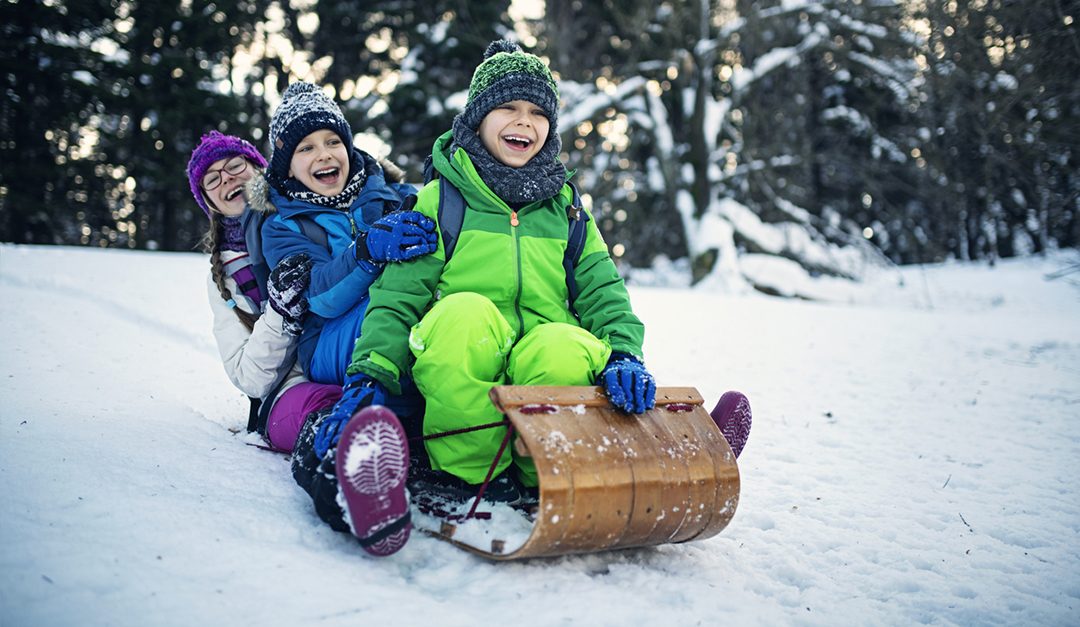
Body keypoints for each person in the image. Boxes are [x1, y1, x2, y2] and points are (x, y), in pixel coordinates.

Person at [317, 40, 691, 517]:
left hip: (541, 357)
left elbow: (603, 290)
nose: (524, 122)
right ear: (477, 119)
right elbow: (398, 298)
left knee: (563, 343)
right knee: (463, 316)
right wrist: (369, 372)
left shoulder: (568, 210)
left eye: (538, 112)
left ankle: (549, 472)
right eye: (508, 108)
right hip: (466, 351)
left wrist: (623, 352)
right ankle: (468, 476)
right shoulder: (442, 201)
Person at [250, 83, 438, 556]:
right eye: (306, 147)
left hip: (397, 318)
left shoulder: (393, 195)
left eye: (333, 141)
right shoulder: (282, 224)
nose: (324, 154)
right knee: (395, 324)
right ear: (285, 164)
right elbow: (318, 296)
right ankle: (348, 476)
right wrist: (367, 250)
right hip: (330, 341)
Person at [187, 131, 342, 456]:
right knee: (329, 417)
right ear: (208, 200)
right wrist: (280, 311)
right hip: (289, 391)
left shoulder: (308, 215)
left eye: (234, 165)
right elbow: (249, 378)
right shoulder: (228, 277)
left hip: (344, 356)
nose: (227, 178)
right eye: (213, 179)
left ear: (259, 169)